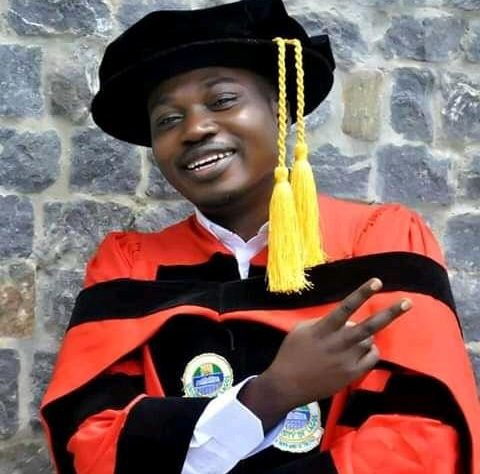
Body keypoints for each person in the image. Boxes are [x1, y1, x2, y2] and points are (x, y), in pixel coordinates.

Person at [41, 1, 480, 473]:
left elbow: (421, 442)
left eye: (222, 100)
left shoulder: (378, 241)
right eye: (168, 120)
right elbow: (93, 447)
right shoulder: (130, 267)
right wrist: (269, 395)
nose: (195, 128)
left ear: (279, 107)